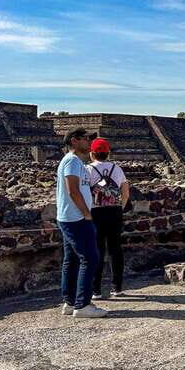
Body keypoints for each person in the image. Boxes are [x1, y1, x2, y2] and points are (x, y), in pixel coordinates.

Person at [55, 128, 107, 318]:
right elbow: (73, 190)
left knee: (73, 260)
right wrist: (86, 214)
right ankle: (83, 305)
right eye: (86, 139)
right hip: (76, 217)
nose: (89, 143)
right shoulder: (71, 161)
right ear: (75, 141)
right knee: (90, 258)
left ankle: (70, 302)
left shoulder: (76, 162)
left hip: (70, 217)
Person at [86, 138, 129, 299]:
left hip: (95, 212)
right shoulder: (116, 169)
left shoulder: (88, 170)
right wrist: (120, 208)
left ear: (92, 153)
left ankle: (95, 290)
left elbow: (84, 193)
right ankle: (116, 287)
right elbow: (125, 192)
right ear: (108, 153)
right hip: (115, 212)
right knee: (115, 250)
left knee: (97, 250)